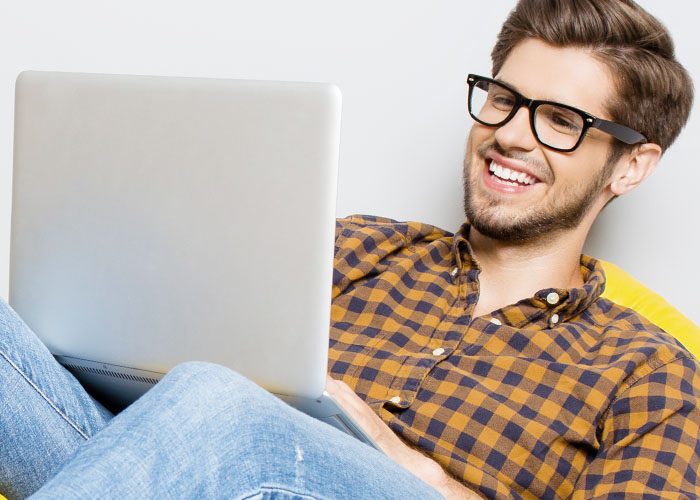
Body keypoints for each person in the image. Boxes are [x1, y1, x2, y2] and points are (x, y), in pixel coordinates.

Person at [1, 0, 698, 498]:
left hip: (265, 457)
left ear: (631, 166)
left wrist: (407, 466)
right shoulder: (357, 247)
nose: (512, 135)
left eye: (559, 121)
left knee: (226, 402)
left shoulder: (651, 373)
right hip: (190, 476)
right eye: (503, 100)